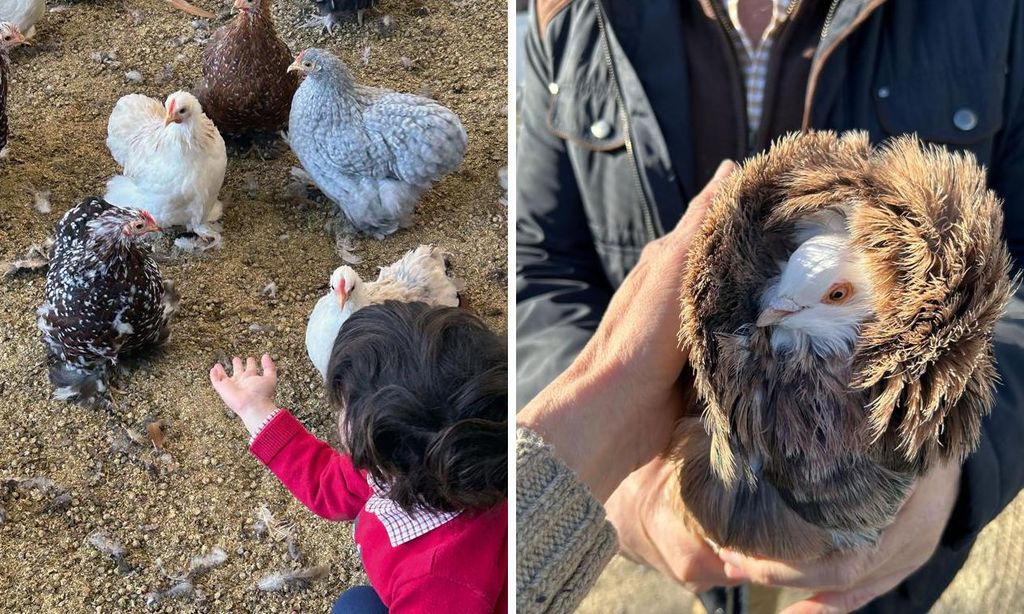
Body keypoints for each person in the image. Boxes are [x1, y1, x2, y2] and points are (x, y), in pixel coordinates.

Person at [516, 0, 1024, 612]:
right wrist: (619, 482)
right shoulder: (567, 14)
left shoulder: (999, 16)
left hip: (890, 563)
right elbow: (540, 265)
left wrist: (958, 465)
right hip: (683, 506)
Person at [210, 301, 508, 613]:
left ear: (386, 446)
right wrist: (253, 408)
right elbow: (327, 483)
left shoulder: (441, 585)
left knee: (355, 607)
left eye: (344, 407)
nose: (338, 414)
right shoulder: (415, 464)